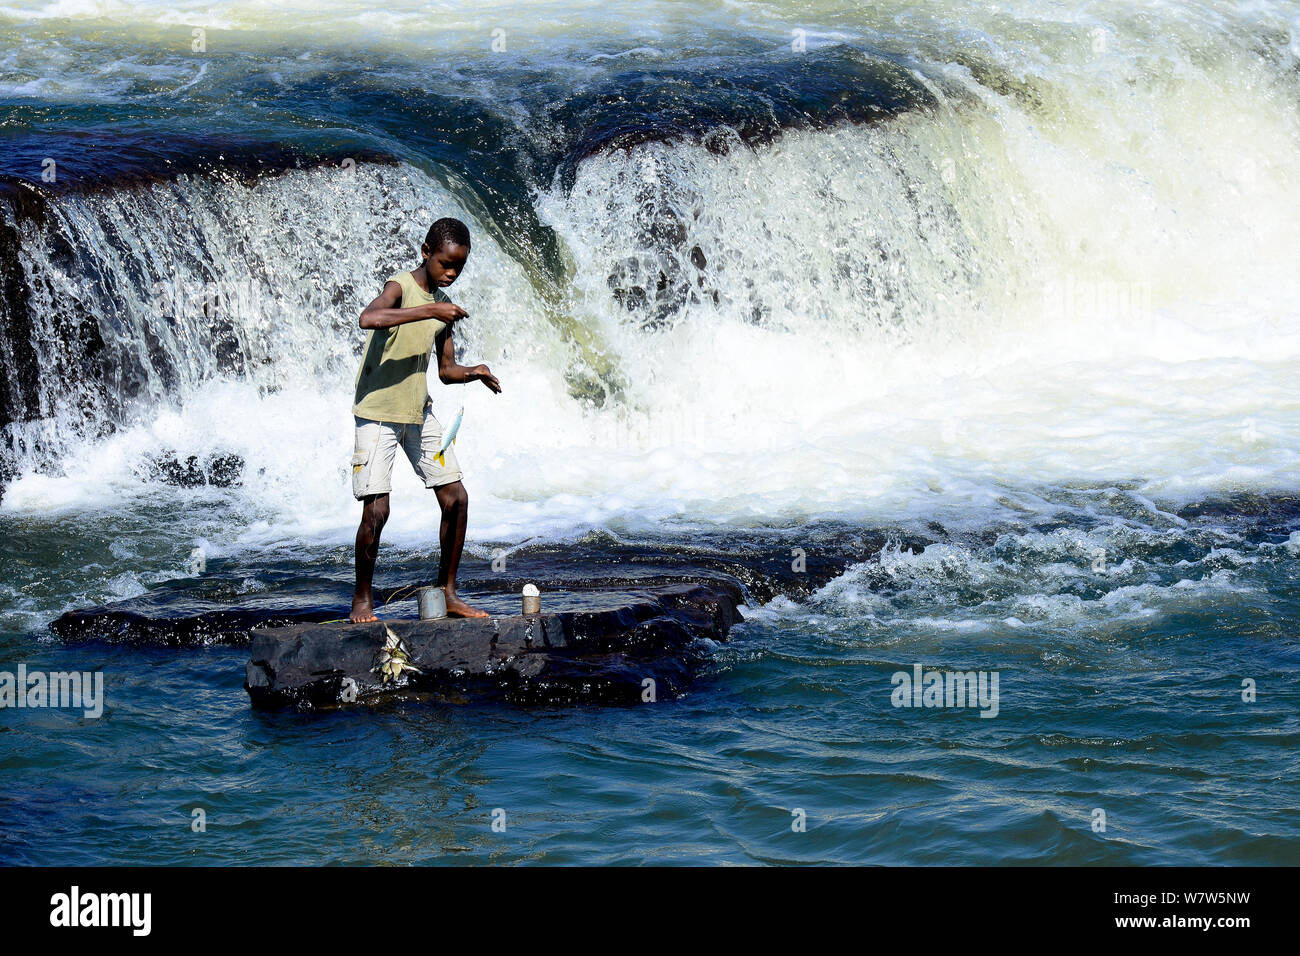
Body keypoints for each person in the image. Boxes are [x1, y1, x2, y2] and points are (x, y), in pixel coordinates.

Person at [348, 217, 500, 623]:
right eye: (445, 265)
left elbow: (446, 370)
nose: (450, 273)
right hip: (377, 412)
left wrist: (474, 372)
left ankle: (448, 593)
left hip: (419, 412)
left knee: (457, 499)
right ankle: (362, 599)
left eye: (458, 268)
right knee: (377, 511)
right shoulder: (401, 287)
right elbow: (369, 318)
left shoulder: (442, 310)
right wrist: (431, 308)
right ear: (426, 253)